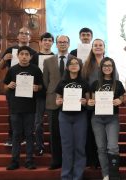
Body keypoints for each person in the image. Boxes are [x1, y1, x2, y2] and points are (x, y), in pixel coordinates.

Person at [81, 38, 119, 169]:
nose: (98, 47)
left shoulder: (109, 62)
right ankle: (94, 161)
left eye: (100, 45)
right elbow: (85, 85)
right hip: (92, 105)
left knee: (109, 140)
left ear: (104, 47)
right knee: (93, 135)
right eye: (95, 45)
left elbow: (116, 81)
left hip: (108, 106)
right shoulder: (87, 64)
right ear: (92, 48)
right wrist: (88, 100)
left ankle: (109, 164)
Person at [4, 46, 43, 170]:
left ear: (30, 57)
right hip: (15, 107)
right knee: (16, 134)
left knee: (29, 134)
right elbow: (5, 85)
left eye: (27, 54)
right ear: (18, 56)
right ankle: (14, 160)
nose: (24, 56)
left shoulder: (36, 70)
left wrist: (37, 88)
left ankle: (29, 160)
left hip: (30, 107)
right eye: (22, 54)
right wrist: (9, 85)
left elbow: (42, 86)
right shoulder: (12, 70)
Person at [88, 57, 125, 180]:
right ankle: (106, 174)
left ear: (113, 68)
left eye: (110, 65)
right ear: (101, 68)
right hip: (97, 118)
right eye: (105, 65)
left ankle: (114, 174)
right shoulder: (95, 83)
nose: (107, 67)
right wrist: (91, 102)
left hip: (112, 118)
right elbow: (91, 100)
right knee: (101, 148)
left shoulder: (118, 84)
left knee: (113, 146)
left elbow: (123, 99)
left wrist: (119, 100)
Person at [0, 27, 37, 147]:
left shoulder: (34, 52)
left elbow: (37, 70)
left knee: (29, 114)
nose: (24, 35)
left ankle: (27, 137)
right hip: (12, 86)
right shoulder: (10, 49)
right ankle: (11, 137)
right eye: (21, 33)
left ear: (30, 37)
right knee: (12, 113)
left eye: (27, 33)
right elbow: (0, 66)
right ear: (18, 36)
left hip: (28, 87)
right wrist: (4, 59)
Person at [43, 35, 76, 170]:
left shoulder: (76, 60)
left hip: (72, 101)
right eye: (60, 42)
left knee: (70, 133)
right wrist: (53, 92)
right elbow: (45, 81)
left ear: (69, 44)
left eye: (65, 42)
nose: (62, 44)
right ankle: (56, 160)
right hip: (53, 101)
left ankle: (70, 160)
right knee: (54, 132)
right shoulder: (48, 61)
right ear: (56, 44)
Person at [55, 57, 88, 180]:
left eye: (76, 64)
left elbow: (88, 100)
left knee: (79, 147)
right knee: (67, 146)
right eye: (71, 64)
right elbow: (57, 100)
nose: (74, 65)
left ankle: (77, 176)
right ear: (67, 67)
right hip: (64, 116)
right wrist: (59, 101)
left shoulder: (84, 83)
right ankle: (66, 176)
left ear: (80, 67)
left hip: (80, 116)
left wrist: (85, 102)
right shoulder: (62, 83)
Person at [30, 32, 55, 156]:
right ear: (40, 42)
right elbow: (30, 74)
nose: (47, 42)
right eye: (45, 40)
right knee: (38, 123)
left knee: (53, 123)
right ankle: (39, 146)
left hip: (52, 95)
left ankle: (53, 146)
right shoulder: (34, 57)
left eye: (49, 40)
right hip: (39, 95)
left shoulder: (55, 57)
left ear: (52, 43)